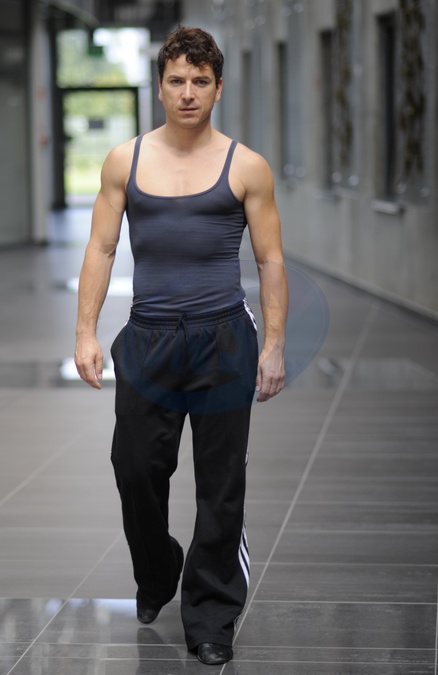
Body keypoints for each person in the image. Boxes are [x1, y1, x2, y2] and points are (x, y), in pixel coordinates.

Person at [75, 25, 288, 666]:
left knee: (221, 483)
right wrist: (85, 331)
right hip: (148, 338)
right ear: (160, 86)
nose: (188, 92)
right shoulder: (125, 160)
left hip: (223, 337)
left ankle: (212, 616)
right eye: (176, 80)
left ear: (218, 88)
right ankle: (158, 568)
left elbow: (271, 260)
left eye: (200, 81)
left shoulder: (246, 166)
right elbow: (102, 247)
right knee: (135, 469)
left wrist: (273, 345)